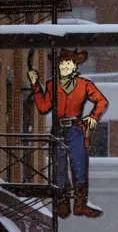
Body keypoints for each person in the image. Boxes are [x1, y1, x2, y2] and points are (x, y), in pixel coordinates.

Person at [28, 48, 109, 219]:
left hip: (75, 128)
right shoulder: (52, 85)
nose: (64, 66)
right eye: (62, 63)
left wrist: (93, 117)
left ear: (75, 66)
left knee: (79, 164)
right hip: (58, 129)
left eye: (68, 63)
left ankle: (80, 204)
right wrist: (35, 85)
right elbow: (43, 106)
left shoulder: (84, 85)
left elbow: (102, 101)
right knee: (59, 166)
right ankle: (62, 202)